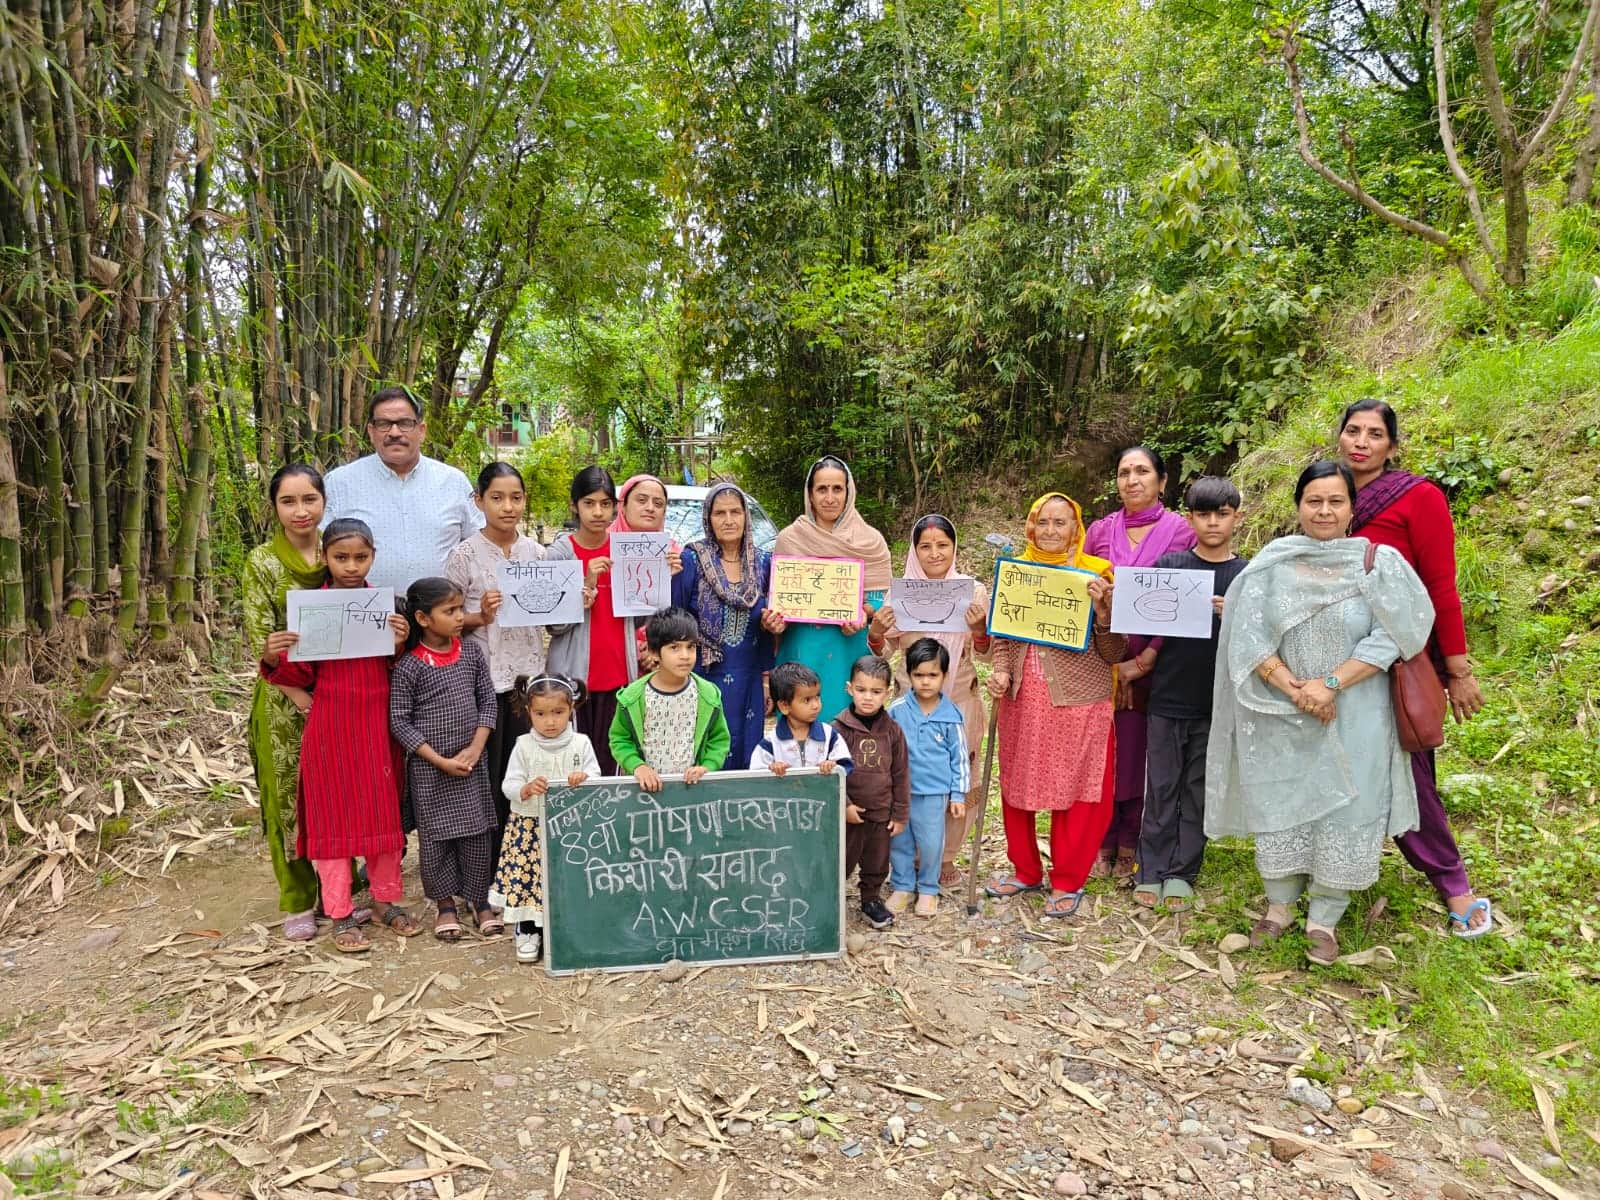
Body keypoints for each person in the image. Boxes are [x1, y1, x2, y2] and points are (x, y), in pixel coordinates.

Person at [1206, 461, 1435, 964]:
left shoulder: (1378, 563)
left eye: (1336, 501)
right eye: (1314, 501)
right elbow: (1246, 635)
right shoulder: (1271, 565)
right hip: (1281, 713)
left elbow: (1402, 631)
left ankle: (1324, 918)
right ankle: (1280, 905)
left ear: (1352, 507)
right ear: (1298, 507)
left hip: (1358, 714)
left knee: (1348, 808)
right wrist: (1294, 689)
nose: (1325, 511)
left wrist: (1331, 684)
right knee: (1281, 802)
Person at [1338, 399, 1493, 938]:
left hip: (1397, 658)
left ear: (1392, 447)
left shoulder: (1417, 497)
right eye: (1352, 431)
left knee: (1411, 772)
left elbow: (1440, 585)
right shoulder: (1328, 495)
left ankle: (1455, 886)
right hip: (1334, 661)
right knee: (1337, 764)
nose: (1361, 442)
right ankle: (1333, 875)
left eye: (1374, 434)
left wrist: (1457, 669)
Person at [260, 519, 420, 951]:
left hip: (376, 726)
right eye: (341, 557)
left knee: (382, 814)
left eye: (361, 557)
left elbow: (397, 670)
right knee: (332, 818)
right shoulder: (314, 610)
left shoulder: (383, 607)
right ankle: (340, 912)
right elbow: (294, 673)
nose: (351, 566)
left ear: (373, 557)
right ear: (326, 558)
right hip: (330, 728)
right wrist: (273, 653)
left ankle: (386, 901)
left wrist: (401, 641)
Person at [983, 493, 1124, 918]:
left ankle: (1067, 878)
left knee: (1079, 791)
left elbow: (1115, 651)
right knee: (1018, 784)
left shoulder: (1096, 575)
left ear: (1076, 529)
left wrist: (1103, 611)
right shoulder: (1016, 574)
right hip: (1024, 699)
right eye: (1043, 522)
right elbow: (1004, 635)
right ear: (1030, 526)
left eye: (1060, 523)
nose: (1050, 531)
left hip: (1081, 701)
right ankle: (1025, 869)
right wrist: (1003, 670)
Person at [1115, 477, 1248, 913]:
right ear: (1190, 519)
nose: (1213, 523)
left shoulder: (1247, 576)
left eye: (1222, 514)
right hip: (1167, 700)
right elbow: (1136, 617)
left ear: (1236, 518)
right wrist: (1112, 601)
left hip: (1218, 704)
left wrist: (1237, 615)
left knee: (1198, 788)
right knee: (1162, 784)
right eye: (1204, 514)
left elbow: (1264, 637)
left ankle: (1182, 871)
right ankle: (1150, 869)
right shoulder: (1171, 565)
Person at [1082, 446, 1197, 881]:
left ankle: (1132, 837)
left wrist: (1146, 659)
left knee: (1144, 753)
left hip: (1159, 662)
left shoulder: (1180, 532)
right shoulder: (1099, 531)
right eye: (1124, 472)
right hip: (1104, 658)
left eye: (1142, 471)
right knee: (1106, 749)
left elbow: (1185, 599)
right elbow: (1083, 591)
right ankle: (1103, 836)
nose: (1132, 480)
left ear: (1162, 481)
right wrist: (1112, 663)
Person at [869, 514, 991, 888]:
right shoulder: (899, 595)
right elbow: (883, 652)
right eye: (925, 546)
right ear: (914, 550)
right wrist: (876, 630)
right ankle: (910, 854)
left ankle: (946, 856)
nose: (935, 553)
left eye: (942, 545)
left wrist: (978, 629)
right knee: (912, 777)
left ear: (954, 548)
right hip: (910, 707)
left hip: (959, 701)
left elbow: (985, 654)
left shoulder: (974, 592)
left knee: (957, 775)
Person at [389, 576, 502, 942]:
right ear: (422, 618)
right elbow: (399, 721)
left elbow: (487, 701)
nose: (459, 617)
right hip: (430, 769)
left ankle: (479, 899)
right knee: (436, 839)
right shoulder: (410, 666)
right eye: (449, 611)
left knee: (477, 833)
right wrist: (437, 759)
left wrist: (477, 746)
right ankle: (445, 905)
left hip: (472, 764)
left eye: (459, 609)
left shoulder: (470, 652)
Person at [445, 462, 545, 861]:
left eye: (516, 498)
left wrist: (580, 596)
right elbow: (446, 619)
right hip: (483, 680)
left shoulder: (536, 553)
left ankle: (527, 857)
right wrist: (478, 617)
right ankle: (485, 863)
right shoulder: (465, 555)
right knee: (491, 774)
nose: (508, 507)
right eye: (497, 498)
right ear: (479, 501)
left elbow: (553, 611)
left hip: (529, 678)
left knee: (526, 768)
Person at [245, 464, 329, 939]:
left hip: (338, 693)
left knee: (337, 789)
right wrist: (297, 695)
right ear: (275, 507)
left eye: (309, 500)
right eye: (288, 501)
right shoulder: (262, 563)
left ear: (324, 502)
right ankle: (298, 896)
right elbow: (259, 639)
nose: (300, 511)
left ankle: (344, 887)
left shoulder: (338, 551)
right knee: (289, 797)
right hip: (283, 698)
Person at [322, 387, 481, 591]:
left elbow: (478, 544)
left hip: (441, 617)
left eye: (405, 423)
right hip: (365, 615)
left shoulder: (453, 482)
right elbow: (317, 548)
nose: (394, 433)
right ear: (371, 431)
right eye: (384, 424)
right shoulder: (339, 483)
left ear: (421, 431)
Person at [673, 482, 786, 769]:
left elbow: (773, 623)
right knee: (703, 753)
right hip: (701, 675)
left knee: (746, 750)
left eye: (735, 511)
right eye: (719, 512)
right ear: (708, 519)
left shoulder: (763, 564)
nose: (728, 520)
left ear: (746, 516)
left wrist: (765, 679)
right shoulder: (692, 561)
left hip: (748, 676)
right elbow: (677, 617)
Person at [773, 456, 893, 715]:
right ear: (810, 494)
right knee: (800, 728)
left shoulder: (870, 541)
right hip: (802, 647)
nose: (830, 498)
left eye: (837, 489)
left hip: (846, 649)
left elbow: (878, 596)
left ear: (848, 493)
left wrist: (864, 612)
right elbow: (778, 596)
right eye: (822, 489)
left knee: (846, 730)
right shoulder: (790, 539)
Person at [494, 673, 600, 964]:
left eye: (558, 713)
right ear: (529, 711)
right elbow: (508, 784)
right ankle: (528, 929)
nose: (549, 721)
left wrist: (585, 778)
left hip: (570, 829)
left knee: (567, 879)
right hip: (531, 827)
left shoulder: (581, 744)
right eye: (541, 714)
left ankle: (567, 929)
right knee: (530, 881)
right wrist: (526, 789)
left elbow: (597, 777)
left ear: (571, 710)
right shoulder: (523, 745)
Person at [545, 467, 631, 775]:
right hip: (575, 678)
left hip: (621, 674)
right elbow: (553, 626)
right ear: (574, 506)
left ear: (615, 507)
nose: (598, 512)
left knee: (614, 762)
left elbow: (644, 613)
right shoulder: (559, 555)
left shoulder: (627, 549)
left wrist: (663, 576)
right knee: (575, 765)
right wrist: (587, 583)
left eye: (606, 504)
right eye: (589, 503)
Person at [886, 639, 970, 918]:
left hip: (934, 794)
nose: (925, 682)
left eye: (932, 675)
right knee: (900, 840)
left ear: (944, 676)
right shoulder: (896, 710)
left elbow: (959, 758)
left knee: (932, 842)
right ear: (909, 676)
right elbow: (886, 747)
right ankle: (901, 885)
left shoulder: (951, 716)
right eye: (918, 675)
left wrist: (958, 795)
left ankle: (928, 889)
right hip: (900, 791)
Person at [609, 607, 732, 792]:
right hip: (643, 792)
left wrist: (706, 766)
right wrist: (637, 766)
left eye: (690, 647)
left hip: (690, 792)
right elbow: (619, 739)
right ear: (654, 653)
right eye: (674, 647)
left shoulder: (707, 695)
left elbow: (719, 739)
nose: (685, 655)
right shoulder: (633, 697)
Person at [831, 655, 909, 931]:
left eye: (876, 692)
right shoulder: (838, 730)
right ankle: (829, 901)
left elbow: (900, 774)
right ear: (849, 688)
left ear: (887, 693)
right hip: (849, 814)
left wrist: (899, 813)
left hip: (880, 812)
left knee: (877, 861)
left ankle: (871, 900)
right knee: (841, 859)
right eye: (861, 690)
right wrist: (845, 805)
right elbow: (833, 773)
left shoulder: (893, 732)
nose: (867, 698)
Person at [751, 663, 854, 776]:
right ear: (784, 706)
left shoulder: (829, 735)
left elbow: (846, 766)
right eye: (807, 700)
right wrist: (772, 770)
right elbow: (757, 777)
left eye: (817, 697)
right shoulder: (771, 742)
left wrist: (833, 766)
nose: (816, 705)